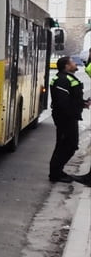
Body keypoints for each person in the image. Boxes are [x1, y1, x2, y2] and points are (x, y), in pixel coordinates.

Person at [49, 55, 90, 184]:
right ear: (66, 66)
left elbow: (72, 98)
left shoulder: (67, 78)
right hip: (66, 118)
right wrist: (73, 111)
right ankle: (55, 173)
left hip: (68, 117)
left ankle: (57, 172)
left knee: (66, 145)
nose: (75, 64)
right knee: (67, 145)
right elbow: (63, 102)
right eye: (72, 62)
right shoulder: (62, 79)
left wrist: (83, 103)